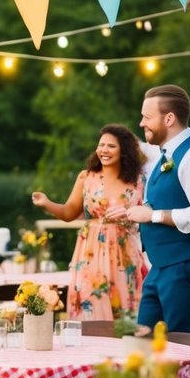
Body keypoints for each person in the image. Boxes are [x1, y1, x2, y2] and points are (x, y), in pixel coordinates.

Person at [115, 84, 190, 333]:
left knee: (179, 344)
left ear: (170, 118)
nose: (141, 123)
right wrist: (138, 211)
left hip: (186, 266)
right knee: (142, 341)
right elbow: (171, 201)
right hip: (161, 267)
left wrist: (152, 215)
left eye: (147, 117)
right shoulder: (164, 156)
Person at [32, 124, 148, 319]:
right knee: (90, 304)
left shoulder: (139, 180)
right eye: (101, 145)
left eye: (111, 146)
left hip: (125, 253)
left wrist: (131, 212)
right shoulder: (86, 177)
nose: (103, 150)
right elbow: (69, 212)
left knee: (125, 309)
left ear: (125, 150)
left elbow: (149, 212)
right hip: (90, 252)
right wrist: (47, 203)